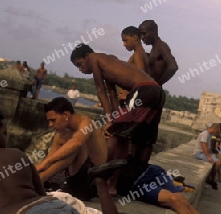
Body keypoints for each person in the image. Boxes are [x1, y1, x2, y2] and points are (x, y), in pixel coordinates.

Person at [70, 43, 165, 196]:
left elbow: (101, 90)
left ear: (87, 56)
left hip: (143, 90)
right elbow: (112, 94)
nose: (81, 69)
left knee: (113, 135)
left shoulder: (94, 58)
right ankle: (117, 184)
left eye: (80, 64)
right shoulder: (108, 60)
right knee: (134, 139)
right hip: (157, 93)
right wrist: (114, 117)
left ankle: (104, 181)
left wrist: (110, 121)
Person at [0, 109, 120, 214]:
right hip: (51, 205)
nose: (6, 139)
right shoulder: (17, 154)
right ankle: (100, 184)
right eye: (5, 134)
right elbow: (40, 191)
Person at [35, 97, 118, 201]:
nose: (50, 125)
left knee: (73, 146)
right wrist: (39, 167)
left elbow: (76, 143)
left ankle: (38, 181)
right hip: (71, 180)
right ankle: (36, 181)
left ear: (66, 115)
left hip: (89, 181)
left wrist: (46, 162)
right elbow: (51, 157)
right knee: (62, 142)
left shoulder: (87, 123)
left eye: (53, 120)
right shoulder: (62, 133)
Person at [138, 20, 178, 86]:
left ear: (153, 31)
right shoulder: (155, 48)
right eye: (140, 35)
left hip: (154, 89)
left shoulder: (161, 46)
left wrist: (158, 83)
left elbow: (173, 67)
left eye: (144, 33)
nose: (142, 37)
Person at [117, 26, 150, 104]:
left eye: (125, 40)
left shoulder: (137, 54)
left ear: (135, 37)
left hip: (128, 100)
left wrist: (129, 96)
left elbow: (141, 78)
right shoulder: (141, 53)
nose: (124, 44)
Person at [193, 123, 221, 190]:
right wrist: (208, 156)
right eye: (216, 131)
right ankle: (211, 180)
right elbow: (203, 145)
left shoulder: (211, 135)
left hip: (205, 153)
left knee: (218, 162)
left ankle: (211, 179)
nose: (216, 132)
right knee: (216, 162)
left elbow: (209, 147)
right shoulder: (205, 134)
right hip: (199, 153)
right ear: (214, 129)